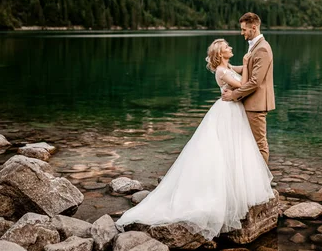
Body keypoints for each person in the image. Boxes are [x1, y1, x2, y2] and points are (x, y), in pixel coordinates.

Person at [115, 38, 274, 240]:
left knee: (234, 149)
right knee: (224, 149)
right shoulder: (221, 71)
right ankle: (224, 193)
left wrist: (249, 61)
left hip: (234, 110)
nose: (230, 47)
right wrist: (246, 65)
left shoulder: (227, 67)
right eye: (227, 47)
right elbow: (244, 83)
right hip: (228, 111)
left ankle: (235, 188)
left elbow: (245, 71)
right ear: (220, 53)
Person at [222, 12, 275, 163]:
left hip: (257, 104)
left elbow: (254, 82)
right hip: (251, 103)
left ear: (254, 27)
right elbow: (249, 70)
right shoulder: (255, 46)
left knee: (259, 144)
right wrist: (227, 67)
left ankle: (263, 183)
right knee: (251, 143)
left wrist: (233, 95)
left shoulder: (262, 49)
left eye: (244, 29)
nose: (242, 32)